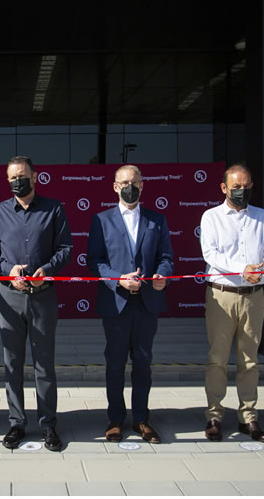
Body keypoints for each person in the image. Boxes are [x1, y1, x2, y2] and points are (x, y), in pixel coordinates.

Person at [0, 156, 72, 451]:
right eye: (12, 178)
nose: (17, 181)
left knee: (44, 364)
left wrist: (46, 269)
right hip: (9, 297)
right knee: (12, 363)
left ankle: (48, 425)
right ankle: (16, 423)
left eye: (22, 176)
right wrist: (7, 269)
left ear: (35, 177)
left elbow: (65, 249)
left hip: (43, 296)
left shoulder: (54, 209)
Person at [87, 165, 173, 444]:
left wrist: (163, 275)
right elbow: (94, 261)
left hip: (147, 304)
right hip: (116, 304)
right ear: (114, 186)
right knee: (114, 364)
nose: (129, 186)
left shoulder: (156, 220)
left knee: (143, 363)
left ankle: (141, 419)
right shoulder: (101, 220)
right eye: (124, 182)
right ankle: (115, 419)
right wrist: (117, 280)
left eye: (134, 182)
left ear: (143, 184)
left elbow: (166, 257)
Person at [200, 162, 264, 443]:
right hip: (222, 295)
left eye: (246, 187)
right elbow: (210, 253)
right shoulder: (211, 217)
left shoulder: (262, 216)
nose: (242, 191)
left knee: (250, 360)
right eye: (236, 187)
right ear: (224, 188)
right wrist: (241, 269)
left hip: (254, 297)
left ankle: (249, 416)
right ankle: (214, 415)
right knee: (218, 359)